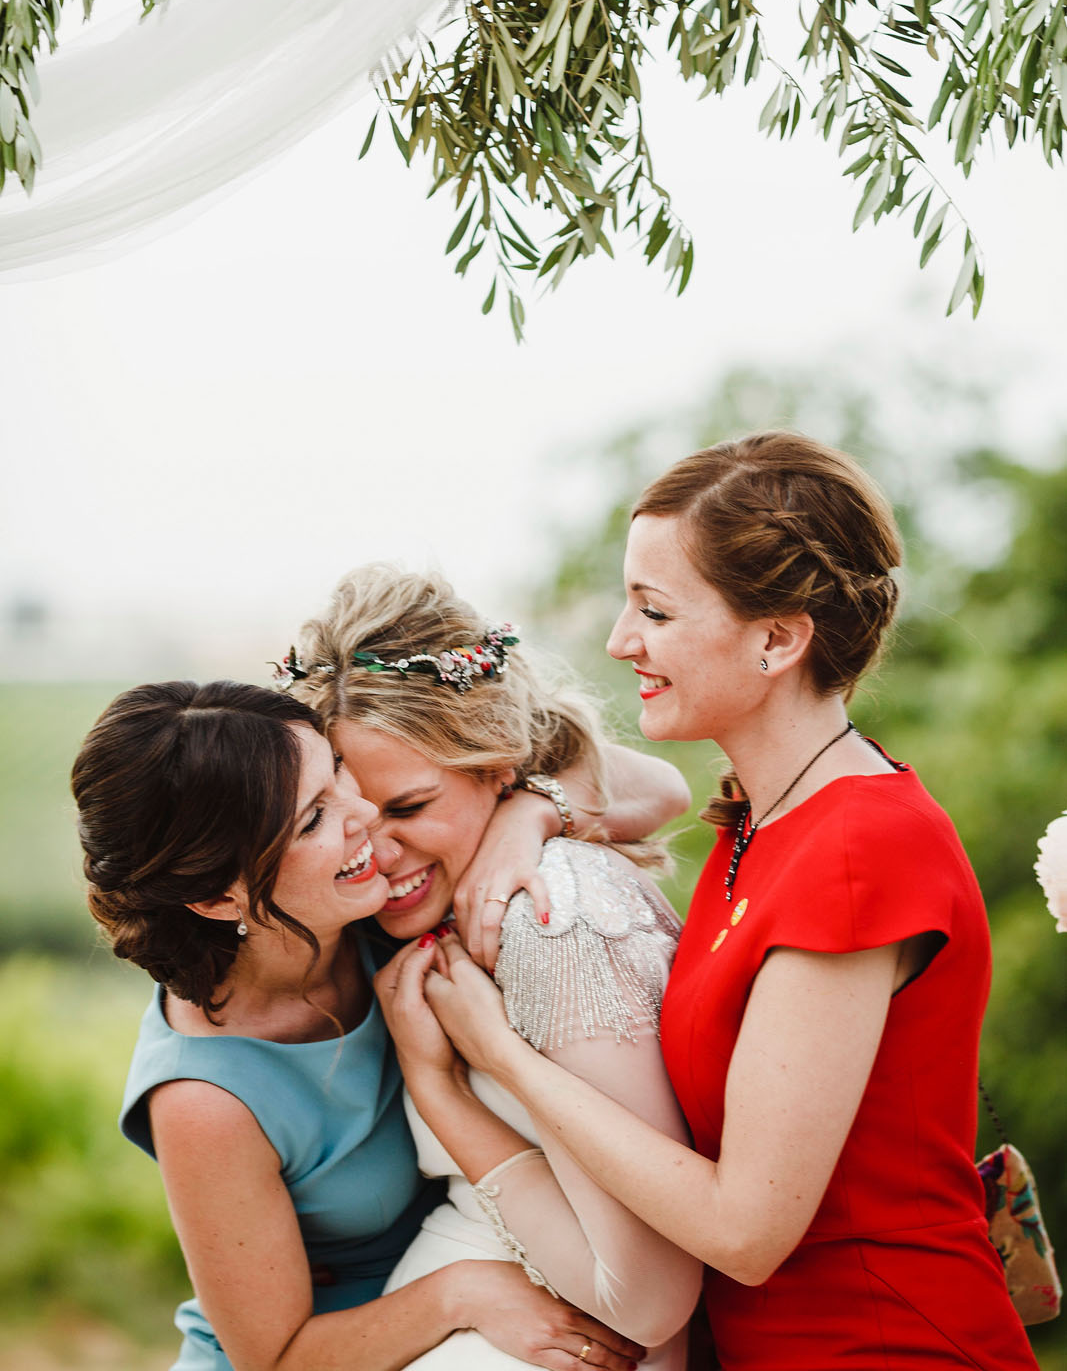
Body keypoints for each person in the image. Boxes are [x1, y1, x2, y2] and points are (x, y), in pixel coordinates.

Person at [406, 432, 1041, 1370]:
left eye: (654, 611)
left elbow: (746, 1229)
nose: (622, 641)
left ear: (779, 638)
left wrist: (493, 1055)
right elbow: (608, 773)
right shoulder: (763, 815)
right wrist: (528, 813)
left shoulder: (860, 849)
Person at [72, 680, 655, 1371]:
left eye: (336, 774)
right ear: (215, 895)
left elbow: (662, 783)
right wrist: (461, 1294)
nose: (365, 814)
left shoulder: (372, 909)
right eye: (315, 818)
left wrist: (525, 817)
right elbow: (275, 1357)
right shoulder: (205, 1099)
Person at [288, 564, 702, 1370]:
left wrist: (531, 812)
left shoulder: (547, 924)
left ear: (497, 764)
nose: (377, 854)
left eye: (409, 809)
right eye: (344, 820)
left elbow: (645, 1300)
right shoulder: (396, 914)